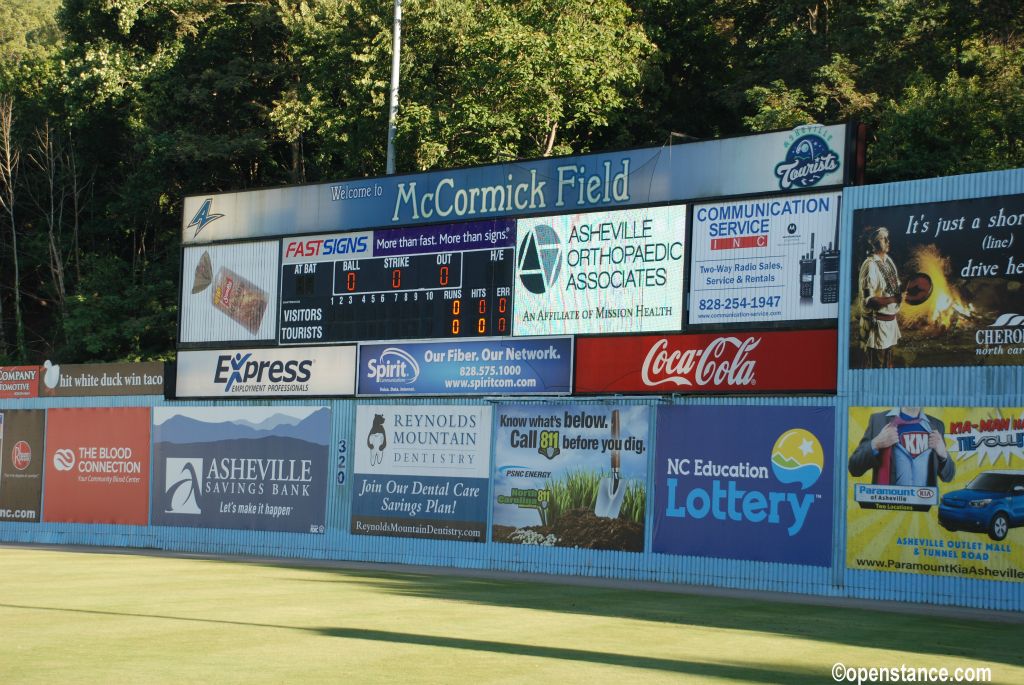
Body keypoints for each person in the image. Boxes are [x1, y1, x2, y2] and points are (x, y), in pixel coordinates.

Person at [849, 407, 955, 487]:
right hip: (886, 505)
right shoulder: (878, 420)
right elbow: (854, 468)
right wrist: (876, 443)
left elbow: (948, 476)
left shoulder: (936, 425)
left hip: (923, 508)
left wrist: (943, 454)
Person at [857, 226, 902, 368]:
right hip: (877, 327)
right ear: (874, 243)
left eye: (888, 238)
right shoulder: (869, 265)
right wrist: (895, 299)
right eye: (883, 238)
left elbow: (895, 288)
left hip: (891, 323)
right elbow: (870, 301)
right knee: (876, 368)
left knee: (888, 365)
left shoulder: (888, 261)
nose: (888, 241)